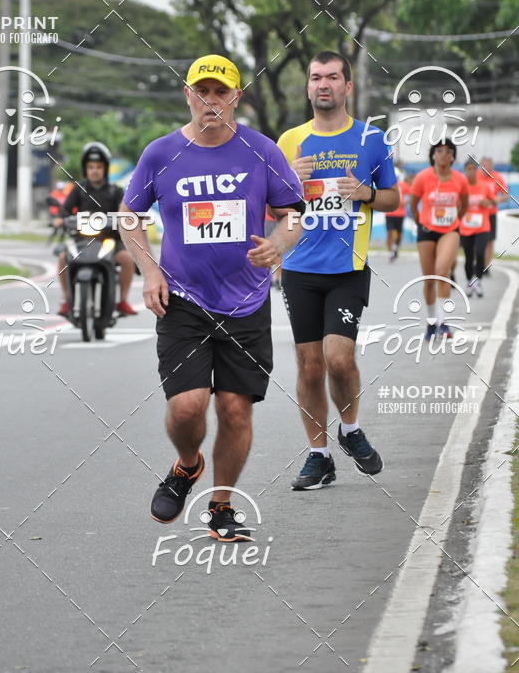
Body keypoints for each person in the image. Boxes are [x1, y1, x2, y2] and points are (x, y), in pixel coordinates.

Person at [119, 54, 304, 541]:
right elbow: (129, 215)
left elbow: (293, 215)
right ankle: (187, 465)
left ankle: (221, 507)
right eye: (202, 92)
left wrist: (279, 243)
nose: (211, 101)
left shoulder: (261, 151)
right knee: (186, 408)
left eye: (221, 92)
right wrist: (149, 270)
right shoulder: (161, 154)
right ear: (188, 96)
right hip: (182, 300)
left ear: (236, 97)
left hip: (246, 302)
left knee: (235, 411)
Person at [277, 51, 399, 491]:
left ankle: (350, 429)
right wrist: (290, 179)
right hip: (299, 267)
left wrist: (365, 193)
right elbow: (270, 205)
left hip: (348, 267)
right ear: (307, 87)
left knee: (339, 359)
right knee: (309, 366)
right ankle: (319, 456)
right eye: (315, 78)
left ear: (348, 86)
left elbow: (393, 200)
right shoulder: (288, 141)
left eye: (332, 77)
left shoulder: (371, 139)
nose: (322, 84)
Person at [55, 142, 137, 317]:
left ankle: (122, 301)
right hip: (82, 241)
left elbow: (126, 212)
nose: (94, 170)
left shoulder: (115, 191)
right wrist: (59, 219)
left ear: (105, 168)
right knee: (63, 258)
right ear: (85, 169)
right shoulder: (79, 189)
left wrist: (128, 220)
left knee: (127, 259)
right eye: (90, 167)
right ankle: (67, 299)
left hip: (110, 241)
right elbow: (65, 210)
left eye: (98, 167)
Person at [410, 140, 469, 340]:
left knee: (442, 272)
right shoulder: (422, 178)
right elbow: (414, 203)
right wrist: (420, 221)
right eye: (440, 151)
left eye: (448, 152)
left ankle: (444, 324)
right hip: (426, 230)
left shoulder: (460, 180)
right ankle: (431, 322)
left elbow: (465, 204)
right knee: (429, 280)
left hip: (450, 230)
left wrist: (456, 221)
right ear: (433, 155)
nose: (444, 155)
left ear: (453, 156)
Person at [460, 158, 495, 297]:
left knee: (480, 253)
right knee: (468, 257)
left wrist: (487, 202)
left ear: (477, 170)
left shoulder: (484, 186)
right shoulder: (461, 187)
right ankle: (469, 282)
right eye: (468, 169)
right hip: (465, 227)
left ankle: (478, 282)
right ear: (464, 171)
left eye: (474, 169)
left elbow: (492, 202)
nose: (471, 172)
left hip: (482, 226)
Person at [477, 157, 507, 275]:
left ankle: (486, 266)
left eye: (488, 166)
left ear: (491, 166)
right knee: (477, 241)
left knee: (489, 242)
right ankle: (478, 264)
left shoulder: (497, 177)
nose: (485, 169)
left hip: (491, 214)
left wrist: (496, 200)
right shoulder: (476, 176)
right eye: (483, 166)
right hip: (478, 214)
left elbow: (505, 194)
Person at [385, 171, 411, 261]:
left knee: (399, 234)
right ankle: (390, 252)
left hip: (400, 214)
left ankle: (395, 248)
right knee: (390, 232)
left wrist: (405, 202)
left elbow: (411, 195)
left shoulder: (403, 185)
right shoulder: (387, 185)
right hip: (389, 212)